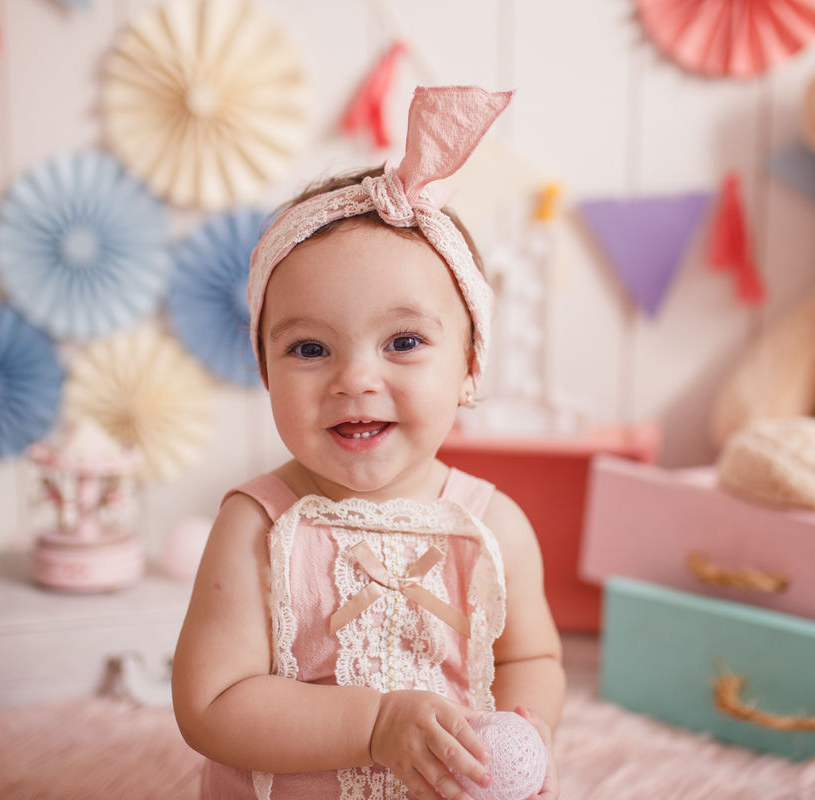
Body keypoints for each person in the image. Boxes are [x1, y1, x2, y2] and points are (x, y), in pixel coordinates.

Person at [172, 86, 565, 800]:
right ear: (264, 369)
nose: (355, 378)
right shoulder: (255, 525)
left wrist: (522, 734)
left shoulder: (493, 527)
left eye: (404, 342)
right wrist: (376, 723)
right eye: (311, 348)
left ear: (471, 368)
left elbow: (531, 656)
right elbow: (212, 705)